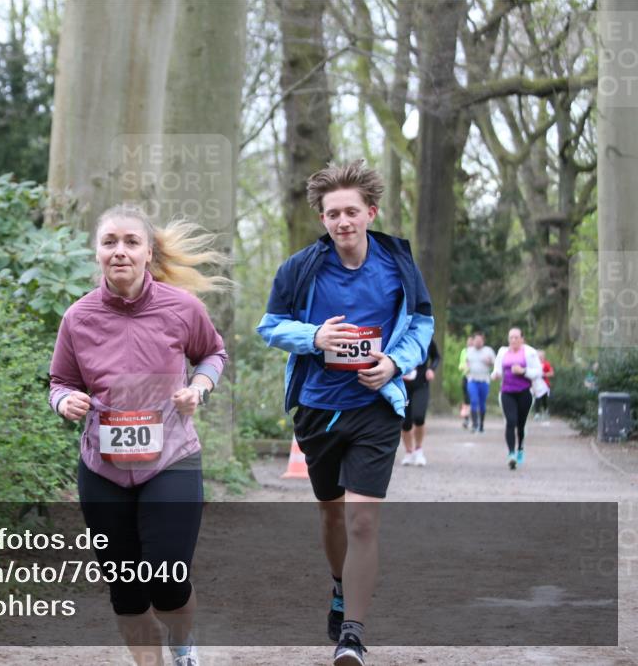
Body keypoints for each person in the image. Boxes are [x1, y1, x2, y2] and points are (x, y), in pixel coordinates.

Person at [257, 161, 433, 666]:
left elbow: (423, 324)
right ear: (323, 219)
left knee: (362, 520)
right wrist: (314, 337)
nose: (342, 222)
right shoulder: (300, 268)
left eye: (351, 211)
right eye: (332, 213)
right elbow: (269, 326)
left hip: (375, 408)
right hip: (318, 410)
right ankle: (339, 586)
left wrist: (395, 363)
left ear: (370, 212)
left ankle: (352, 633)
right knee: (332, 510)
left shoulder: (398, 263)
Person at [48, 205, 228, 666]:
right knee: (126, 593)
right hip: (102, 468)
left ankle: (184, 645)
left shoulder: (182, 307)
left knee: (167, 583)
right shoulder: (78, 317)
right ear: (97, 252)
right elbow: (60, 381)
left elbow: (212, 354)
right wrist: (64, 401)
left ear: (149, 251)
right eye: (110, 242)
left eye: (131, 242)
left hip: (170, 460)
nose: (120, 251)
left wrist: (198, 387)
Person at [491, 327, 546, 470]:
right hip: (507, 392)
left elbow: (538, 372)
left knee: (520, 424)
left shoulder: (529, 352)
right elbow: (496, 370)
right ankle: (511, 454)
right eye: (511, 337)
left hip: (524, 392)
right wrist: (495, 375)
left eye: (516, 337)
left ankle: (520, 448)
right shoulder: (503, 352)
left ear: (522, 339)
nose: (513, 340)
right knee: (511, 421)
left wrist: (523, 371)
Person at [400, 339, 439, 466]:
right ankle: (408, 452)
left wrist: (431, 369)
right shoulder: (401, 335)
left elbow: (436, 357)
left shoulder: (426, 336)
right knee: (405, 422)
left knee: (419, 417)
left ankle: (418, 449)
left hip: (421, 385)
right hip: (404, 387)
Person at [465, 332, 496, 433]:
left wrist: (490, 362)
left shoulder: (488, 351)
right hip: (472, 379)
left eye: (480, 341)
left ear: (483, 341)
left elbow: (495, 364)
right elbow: (465, 362)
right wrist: (466, 367)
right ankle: (474, 425)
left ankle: (481, 425)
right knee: (474, 400)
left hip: (484, 380)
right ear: (473, 341)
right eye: (476, 341)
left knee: (482, 403)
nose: (478, 343)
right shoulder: (469, 351)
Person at [535, 350, 554, 420]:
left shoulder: (546, 364)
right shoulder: (534, 364)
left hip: (545, 384)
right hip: (536, 384)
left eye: (541, 356)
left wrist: (544, 374)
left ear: (543, 356)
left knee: (544, 399)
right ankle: (537, 413)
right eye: (538, 356)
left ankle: (546, 410)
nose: (539, 358)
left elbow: (552, 373)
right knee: (537, 398)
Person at [459, 335, 473, 429]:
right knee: (467, 399)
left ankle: (474, 419)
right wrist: (463, 367)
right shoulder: (464, 351)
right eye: (468, 341)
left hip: (475, 378)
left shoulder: (477, 352)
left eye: (472, 342)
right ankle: (466, 419)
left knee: (473, 399)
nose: (470, 343)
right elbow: (460, 364)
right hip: (465, 377)